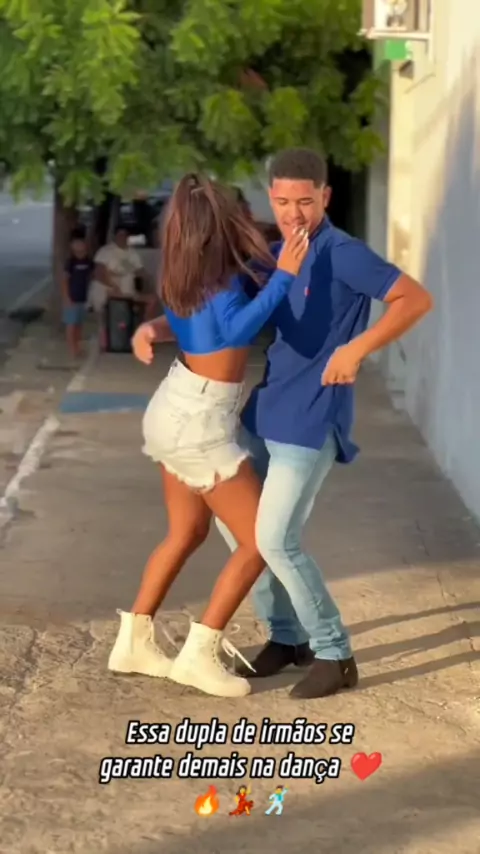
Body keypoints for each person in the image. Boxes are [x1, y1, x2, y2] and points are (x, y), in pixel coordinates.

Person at [132, 148, 433, 700]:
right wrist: (156, 327)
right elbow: (220, 320)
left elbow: (414, 299)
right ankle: (286, 637)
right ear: (271, 198)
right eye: (283, 201)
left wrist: (357, 349)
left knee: (274, 539)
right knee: (241, 534)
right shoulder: (276, 256)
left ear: (325, 197)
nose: (294, 212)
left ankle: (334, 653)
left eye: (305, 201)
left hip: (311, 418)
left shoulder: (345, 254)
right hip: (263, 411)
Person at [108, 173, 309, 698]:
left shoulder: (189, 274)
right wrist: (286, 275)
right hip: (199, 423)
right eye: (236, 214)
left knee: (186, 532)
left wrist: (152, 328)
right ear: (218, 225)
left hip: (176, 407)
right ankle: (199, 655)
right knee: (262, 539)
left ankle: (133, 642)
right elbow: (238, 329)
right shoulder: (222, 285)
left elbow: (195, 325)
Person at [90, 224, 156, 320]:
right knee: (111, 312)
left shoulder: (132, 253)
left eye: (125, 235)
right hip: (109, 291)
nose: (122, 237)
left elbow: (140, 271)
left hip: (128, 292)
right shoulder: (105, 251)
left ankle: (145, 325)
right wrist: (113, 286)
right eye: (120, 235)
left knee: (152, 299)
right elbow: (98, 273)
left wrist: (151, 280)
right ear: (115, 236)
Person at [62, 228, 93, 359]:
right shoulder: (70, 262)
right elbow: (64, 280)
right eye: (76, 244)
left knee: (79, 325)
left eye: (81, 243)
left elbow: (92, 277)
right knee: (71, 325)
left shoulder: (88, 261)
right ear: (72, 246)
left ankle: (78, 348)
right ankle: (72, 350)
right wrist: (66, 297)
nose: (79, 246)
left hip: (83, 298)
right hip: (72, 298)